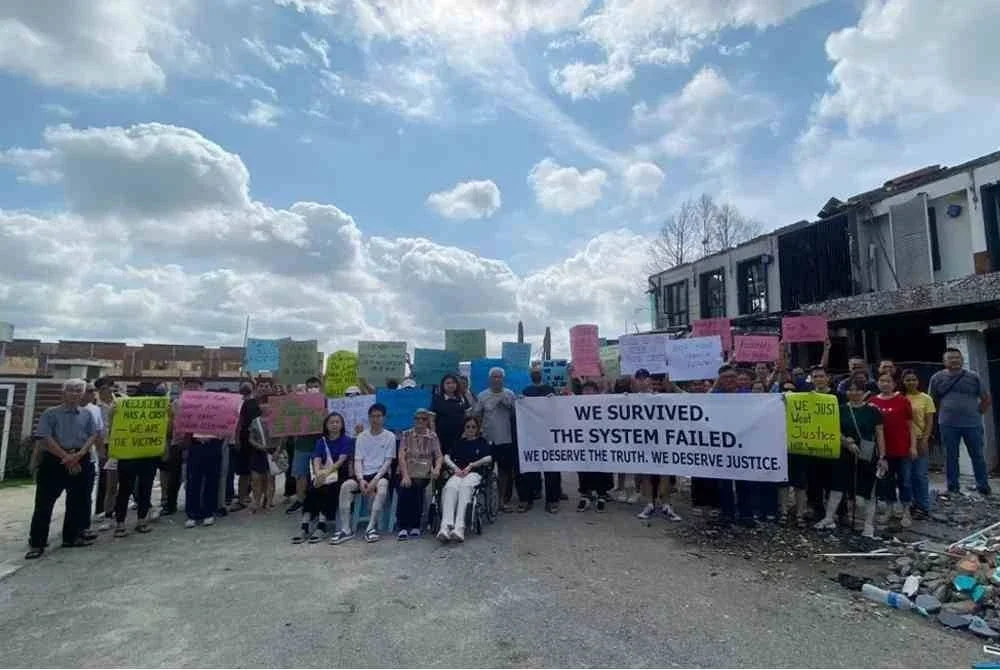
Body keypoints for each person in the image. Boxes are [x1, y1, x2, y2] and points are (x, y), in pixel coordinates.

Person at [26, 379, 99, 559]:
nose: (74, 394)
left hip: (80, 457)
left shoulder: (87, 414)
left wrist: (78, 455)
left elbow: (93, 435)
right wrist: (65, 457)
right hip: (55, 460)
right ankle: (37, 542)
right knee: (44, 503)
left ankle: (71, 537)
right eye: (71, 390)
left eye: (78, 391)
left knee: (77, 501)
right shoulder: (51, 413)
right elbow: (44, 437)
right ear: (63, 392)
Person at [817, 378, 885, 537]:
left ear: (865, 392)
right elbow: (834, 429)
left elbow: (880, 434)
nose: (854, 393)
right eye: (850, 389)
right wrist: (846, 441)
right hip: (844, 452)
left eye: (858, 390)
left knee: (867, 491)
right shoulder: (840, 409)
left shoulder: (873, 411)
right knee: (837, 486)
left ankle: (869, 525)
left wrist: (882, 456)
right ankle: (828, 517)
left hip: (867, 453)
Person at [929, 348, 992, 496]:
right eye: (950, 358)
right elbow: (931, 400)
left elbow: (986, 398)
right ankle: (953, 487)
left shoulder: (973, 377)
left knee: (977, 455)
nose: (955, 360)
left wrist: (978, 413)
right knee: (951, 456)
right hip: (947, 424)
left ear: (962, 360)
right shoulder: (937, 378)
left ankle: (983, 486)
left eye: (957, 358)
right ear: (944, 362)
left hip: (972, 424)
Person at [331, 402, 396, 544]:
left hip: (379, 473)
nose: (375, 419)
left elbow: (387, 462)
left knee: (383, 487)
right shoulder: (361, 437)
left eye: (379, 416)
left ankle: (371, 527)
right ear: (369, 417)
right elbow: (358, 460)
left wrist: (374, 481)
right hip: (362, 474)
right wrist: (360, 480)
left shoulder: (390, 436)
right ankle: (346, 529)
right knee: (346, 486)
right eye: (373, 416)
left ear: (384, 418)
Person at [111, 384, 167, 537]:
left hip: (148, 455)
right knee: (125, 489)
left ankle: (140, 521)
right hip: (128, 455)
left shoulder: (158, 409)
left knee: (144, 489)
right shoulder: (124, 407)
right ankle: (121, 523)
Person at [293, 412, 354, 543]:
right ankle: (305, 525)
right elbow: (316, 458)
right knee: (312, 488)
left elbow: (341, 460)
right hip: (322, 474)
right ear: (326, 425)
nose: (334, 425)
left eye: (337, 422)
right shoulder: (321, 441)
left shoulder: (347, 440)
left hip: (339, 474)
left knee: (328, 488)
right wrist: (318, 474)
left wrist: (325, 474)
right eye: (331, 422)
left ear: (342, 425)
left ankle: (322, 524)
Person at [869, 372, 916, 529]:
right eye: (882, 381)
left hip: (902, 449)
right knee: (886, 482)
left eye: (888, 381)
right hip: (883, 451)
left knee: (905, 481)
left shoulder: (903, 401)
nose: (885, 384)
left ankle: (906, 511)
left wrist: (913, 446)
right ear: (877, 383)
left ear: (894, 384)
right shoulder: (872, 402)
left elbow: (911, 426)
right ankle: (889, 510)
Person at [438, 417, 493, 542]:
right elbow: (446, 456)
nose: (470, 429)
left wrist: (472, 465)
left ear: (477, 429)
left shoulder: (481, 442)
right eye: (468, 426)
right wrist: (455, 468)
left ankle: (460, 527)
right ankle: (445, 526)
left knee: (465, 488)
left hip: (474, 473)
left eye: (473, 427)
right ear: (464, 428)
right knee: (449, 488)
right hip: (458, 472)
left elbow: (488, 458)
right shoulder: (459, 442)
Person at [179, 378, 224, 529]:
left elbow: (225, 421)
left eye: (195, 386)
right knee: (193, 481)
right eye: (189, 387)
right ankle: (192, 514)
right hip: (195, 446)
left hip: (213, 445)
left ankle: (208, 512)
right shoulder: (184, 405)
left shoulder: (214, 402)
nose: (192, 389)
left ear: (201, 387)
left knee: (212, 480)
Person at [473, 367, 518, 512]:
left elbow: (519, 413)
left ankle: (501, 501)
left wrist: (511, 405)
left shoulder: (510, 394)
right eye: (494, 377)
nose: (497, 379)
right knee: (486, 471)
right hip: (488, 440)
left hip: (506, 439)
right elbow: (476, 415)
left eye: (499, 377)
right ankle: (486, 501)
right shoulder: (482, 395)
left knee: (504, 472)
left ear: (503, 379)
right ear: (490, 379)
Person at [395, 408, 442, 539]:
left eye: (424, 419)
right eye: (417, 419)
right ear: (414, 420)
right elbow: (401, 456)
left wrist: (437, 468)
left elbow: (438, 456)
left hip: (424, 471)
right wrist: (405, 475)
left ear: (427, 421)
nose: (420, 421)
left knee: (417, 485)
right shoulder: (406, 434)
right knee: (405, 486)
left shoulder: (433, 436)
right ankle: (403, 525)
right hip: (407, 470)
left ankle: (415, 524)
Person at [522, 369, 562, 513]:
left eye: (538, 372)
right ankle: (532, 494)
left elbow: (557, 409)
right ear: (531, 376)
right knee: (531, 466)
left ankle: (552, 500)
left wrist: (556, 398)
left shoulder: (549, 389)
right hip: (532, 435)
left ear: (541, 375)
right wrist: (520, 401)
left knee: (551, 468)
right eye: (534, 372)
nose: (536, 374)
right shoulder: (526, 391)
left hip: (549, 435)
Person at [287, 376, 324, 515]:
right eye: (310, 386)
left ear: (320, 387)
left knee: (319, 473)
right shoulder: (297, 403)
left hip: (319, 444)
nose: (313, 388)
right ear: (306, 388)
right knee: (300, 474)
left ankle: (318, 499)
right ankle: (300, 500)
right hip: (301, 444)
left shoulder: (325, 402)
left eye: (316, 386)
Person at [578, 379, 616, 512]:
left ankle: (601, 494)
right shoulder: (574, 403)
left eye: (590, 390)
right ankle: (586, 494)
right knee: (584, 470)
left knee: (601, 469)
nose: (587, 393)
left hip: (600, 444)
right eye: (585, 390)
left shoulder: (603, 402)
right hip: (584, 444)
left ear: (596, 391)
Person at [902, 369, 935, 518]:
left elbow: (929, 422)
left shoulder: (926, 398)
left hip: (920, 438)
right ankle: (911, 504)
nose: (911, 382)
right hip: (902, 441)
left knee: (920, 475)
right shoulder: (900, 398)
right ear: (902, 382)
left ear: (918, 381)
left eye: (913, 379)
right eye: (908, 380)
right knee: (906, 476)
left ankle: (924, 506)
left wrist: (925, 440)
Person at [432, 374, 470, 457]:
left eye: (453, 383)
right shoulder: (437, 399)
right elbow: (432, 420)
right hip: (442, 437)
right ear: (443, 385)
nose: (451, 385)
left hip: (460, 437)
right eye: (447, 383)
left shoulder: (462, 398)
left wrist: (466, 432)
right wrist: (434, 436)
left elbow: (468, 416)